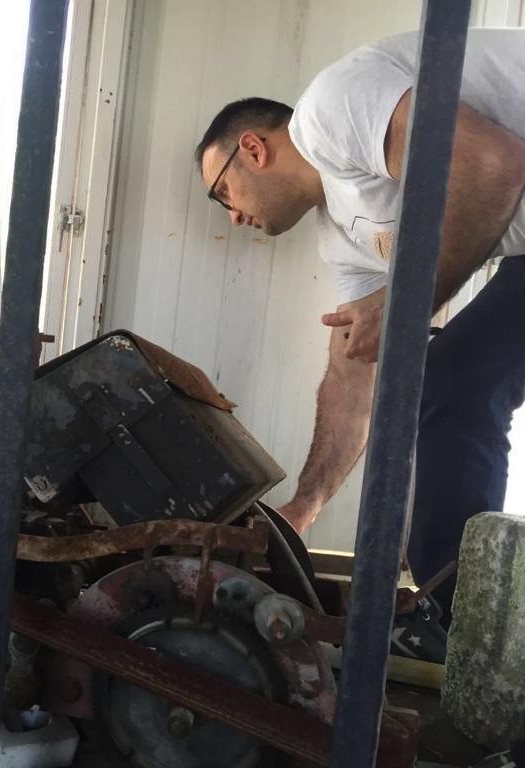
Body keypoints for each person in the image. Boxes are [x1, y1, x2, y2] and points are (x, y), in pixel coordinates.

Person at [195, 28, 525, 643]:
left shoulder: (328, 110)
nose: (234, 217)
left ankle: (455, 622)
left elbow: (491, 164)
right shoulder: (343, 235)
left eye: (223, 194)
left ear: (253, 149)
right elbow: (354, 371)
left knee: (455, 381)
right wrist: (304, 508)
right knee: (458, 384)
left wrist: (400, 302)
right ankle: (460, 622)